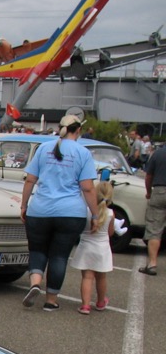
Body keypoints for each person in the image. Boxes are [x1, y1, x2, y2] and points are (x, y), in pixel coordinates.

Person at [19, 114, 99, 311]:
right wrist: (96, 214)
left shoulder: (44, 149)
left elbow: (30, 180)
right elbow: (87, 187)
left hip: (40, 210)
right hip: (70, 212)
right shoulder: (83, 153)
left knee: (37, 250)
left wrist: (24, 205)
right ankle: (51, 300)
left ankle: (35, 283)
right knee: (59, 256)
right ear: (78, 130)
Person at [69, 180, 118, 313]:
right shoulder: (110, 213)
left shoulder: (87, 211)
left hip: (86, 246)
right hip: (102, 248)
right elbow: (111, 232)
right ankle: (101, 302)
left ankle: (85, 305)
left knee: (87, 277)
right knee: (101, 277)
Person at [141, 140, 166, 275]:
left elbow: (148, 176)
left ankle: (152, 264)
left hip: (160, 191)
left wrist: (149, 192)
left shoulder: (157, 154)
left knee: (154, 229)